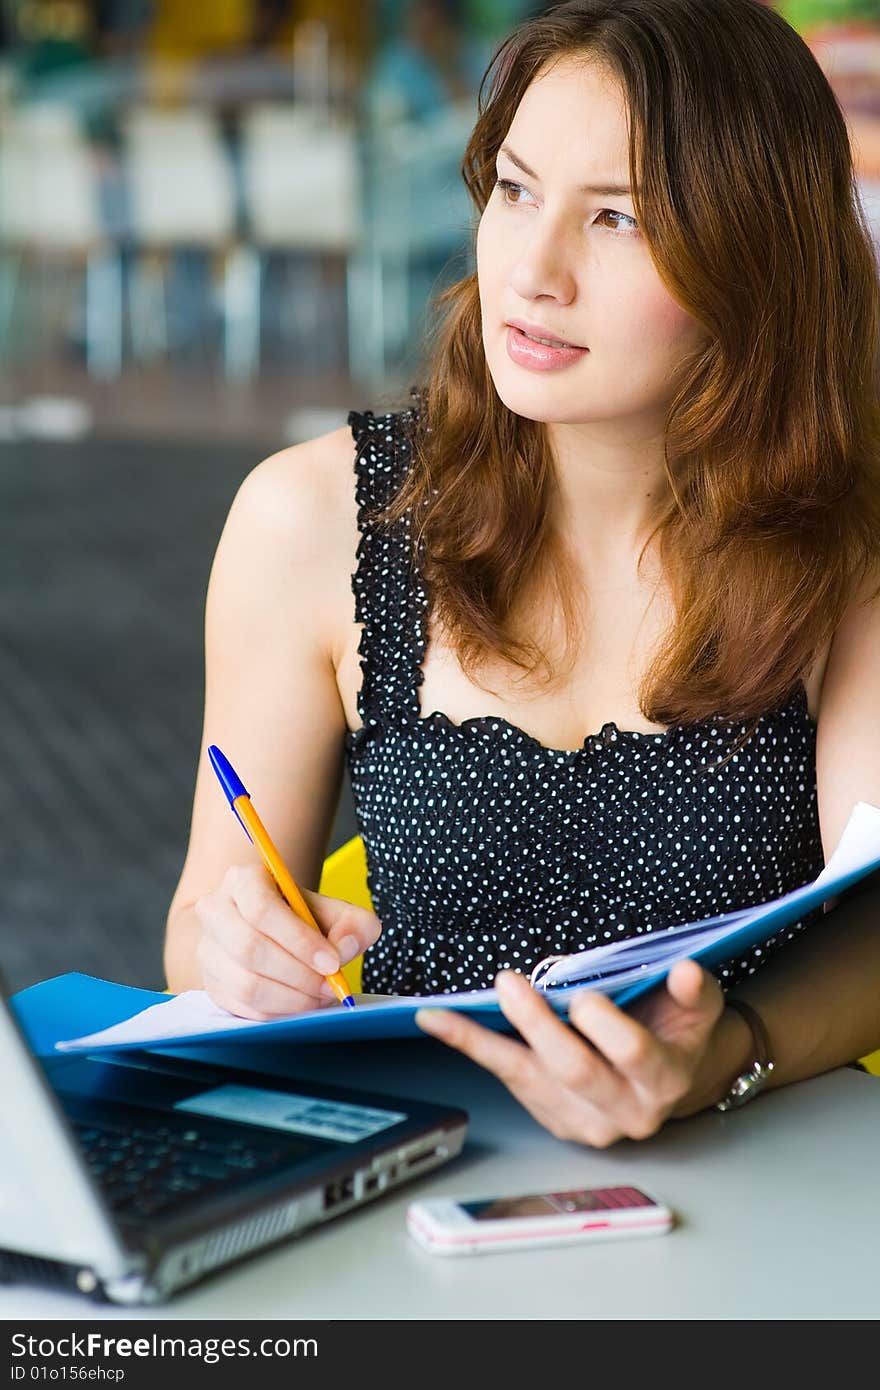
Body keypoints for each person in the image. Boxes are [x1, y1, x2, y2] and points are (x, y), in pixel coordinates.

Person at [165, 0, 880, 1149]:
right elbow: (201, 918)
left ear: (756, 256)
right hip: (403, 1168)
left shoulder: (844, 543)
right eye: (514, 189)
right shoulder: (312, 520)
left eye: (617, 219)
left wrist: (722, 1054)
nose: (533, 271)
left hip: (760, 1177)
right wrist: (237, 951)